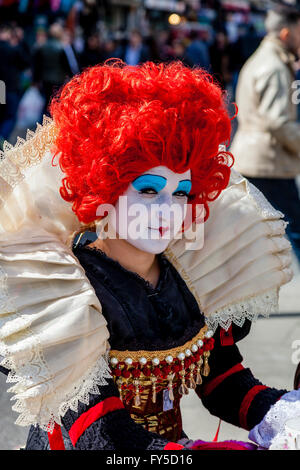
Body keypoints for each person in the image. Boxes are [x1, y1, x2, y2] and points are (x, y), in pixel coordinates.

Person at [0, 61, 298, 451]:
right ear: (103, 185)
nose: (167, 210)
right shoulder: (64, 294)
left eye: (180, 193)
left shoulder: (192, 275)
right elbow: (101, 434)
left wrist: (284, 412)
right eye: (147, 189)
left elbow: (224, 381)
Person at [231, 3, 300, 264]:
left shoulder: (261, 59)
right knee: (295, 230)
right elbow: (278, 122)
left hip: (253, 159)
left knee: (254, 239)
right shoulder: (274, 66)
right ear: (285, 33)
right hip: (269, 162)